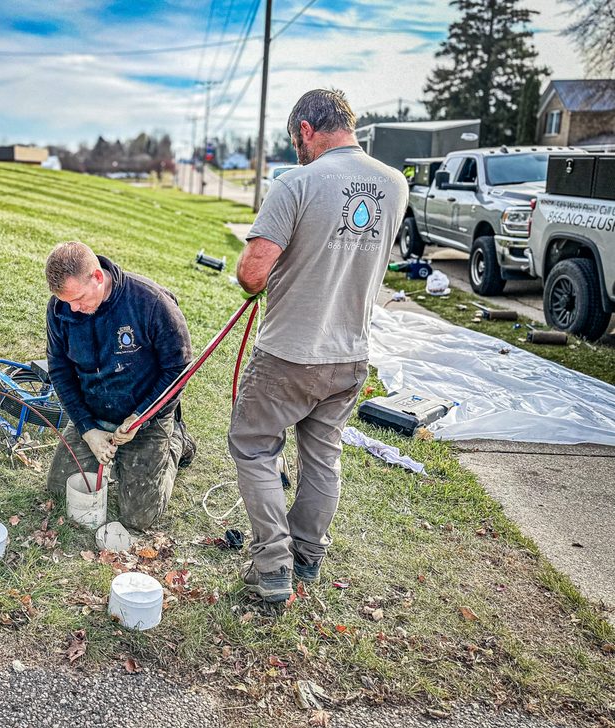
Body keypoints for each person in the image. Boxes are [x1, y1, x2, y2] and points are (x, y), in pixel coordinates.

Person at [229, 89, 409, 602]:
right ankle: (307, 555)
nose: (296, 151)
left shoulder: (296, 183)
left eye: (295, 141)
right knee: (322, 457)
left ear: (306, 129)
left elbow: (251, 274)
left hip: (289, 352)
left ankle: (273, 567)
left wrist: (268, 273)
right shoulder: (393, 185)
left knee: (254, 446)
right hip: (350, 354)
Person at [43, 241, 195, 531]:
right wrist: (87, 429)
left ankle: (176, 441)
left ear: (98, 277)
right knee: (60, 488)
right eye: (66, 302)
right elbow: (59, 370)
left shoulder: (150, 302)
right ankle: (102, 440)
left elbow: (179, 368)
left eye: (79, 298)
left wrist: (143, 416)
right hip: (94, 410)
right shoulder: (60, 309)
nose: (73, 308)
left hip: (146, 414)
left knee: (139, 518)